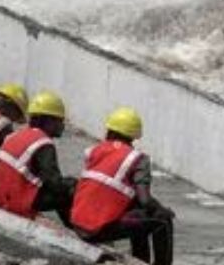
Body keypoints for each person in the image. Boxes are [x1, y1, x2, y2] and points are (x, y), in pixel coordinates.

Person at [71, 107, 174, 265]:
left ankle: (140, 260)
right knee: (162, 220)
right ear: (133, 137)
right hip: (97, 229)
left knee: (138, 214)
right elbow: (145, 200)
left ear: (109, 130)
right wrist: (163, 210)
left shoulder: (94, 151)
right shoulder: (138, 159)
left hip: (77, 224)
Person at [0, 91, 74, 223]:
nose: (62, 126)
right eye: (59, 120)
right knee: (70, 189)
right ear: (48, 121)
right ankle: (75, 230)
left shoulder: (16, 135)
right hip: (11, 201)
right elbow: (54, 184)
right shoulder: (44, 143)